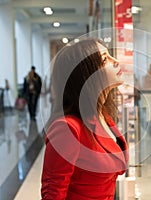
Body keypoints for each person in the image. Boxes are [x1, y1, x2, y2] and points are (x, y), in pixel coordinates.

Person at [41, 38, 128, 200]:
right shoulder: (67, 129)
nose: (115, 61)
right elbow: (53, 193)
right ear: (87, 75)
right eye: (104, 59)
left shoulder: (102, 116)